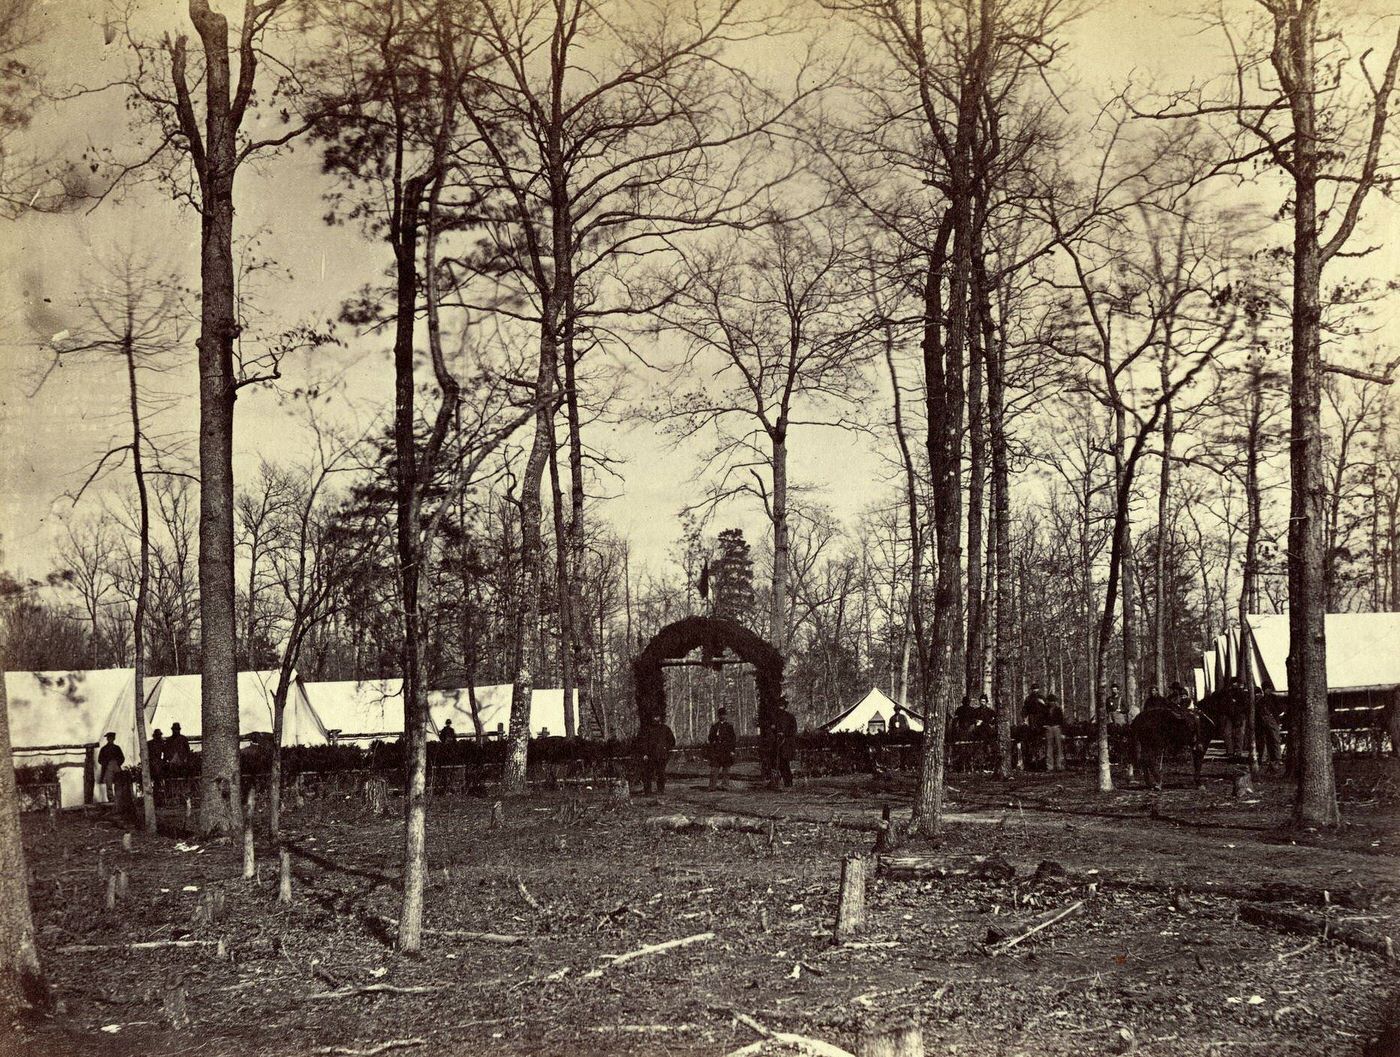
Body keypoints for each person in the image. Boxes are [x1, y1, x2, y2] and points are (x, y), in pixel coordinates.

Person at [638, 712, 676, 795]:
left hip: (662, 755)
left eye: (657, 716)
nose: (655, 719)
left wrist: (666, 748)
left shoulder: (665, 729)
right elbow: (643, 743)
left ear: (660, 718)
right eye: (654, 717)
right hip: (650, 756)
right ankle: (648, 791)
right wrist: (644, 754)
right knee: (648, 773)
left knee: (661, 773)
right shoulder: (647, 729)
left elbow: (672, 741)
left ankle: (660, 790)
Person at [707, 707, 737, 790]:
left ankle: (725, 785)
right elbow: (710, 738)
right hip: (717, 751)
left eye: (724, 715)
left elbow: (733, 740)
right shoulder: (715, 726)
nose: (722, 716)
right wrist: (714, 736)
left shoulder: (729, 727)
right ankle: (712, 786)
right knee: (714, 769)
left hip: (726, 750)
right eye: (721, 715)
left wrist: (732, 750)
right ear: (718, 716)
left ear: (726, 716)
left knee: (726, 769)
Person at [773, 698, 798, 789]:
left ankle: (788, 781)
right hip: (776, 744)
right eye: (779, 705)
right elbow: (772, 729)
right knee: (778, 763)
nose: (780, 707)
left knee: (785, 763)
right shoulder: (775, 717)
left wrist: (784, 734)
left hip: (787, 744)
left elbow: (793, 730)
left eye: (782, 705)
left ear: (784, 706)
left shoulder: (790, 717)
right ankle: (780, 781)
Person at [97, 732, 125, 803]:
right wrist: (106, 764)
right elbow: (99, 759)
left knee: (118, 782)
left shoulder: (117, 748)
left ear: (114, 739)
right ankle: (111, 798)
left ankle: (118, 797)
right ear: (107, 739)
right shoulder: (104, 749)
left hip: (116, 766)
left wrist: (117, 763)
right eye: (109, 738)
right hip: (108, 767)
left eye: (111, 738)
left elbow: (122, 758)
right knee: (109, 783)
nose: (110, 740)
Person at [1042, 694, 1066, 772]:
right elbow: (1041, 719)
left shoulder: (1058, 709)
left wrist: (1062, 732)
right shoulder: (1045, 709)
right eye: (1050, 701)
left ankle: (1059, 766)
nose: (1052, 703)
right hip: (1049, 728)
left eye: (1053, 701)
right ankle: (1049, 767)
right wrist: (1044, 725)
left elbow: (1062, 721)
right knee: (1049, 748)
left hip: (1057, 728)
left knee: (1059, 747)